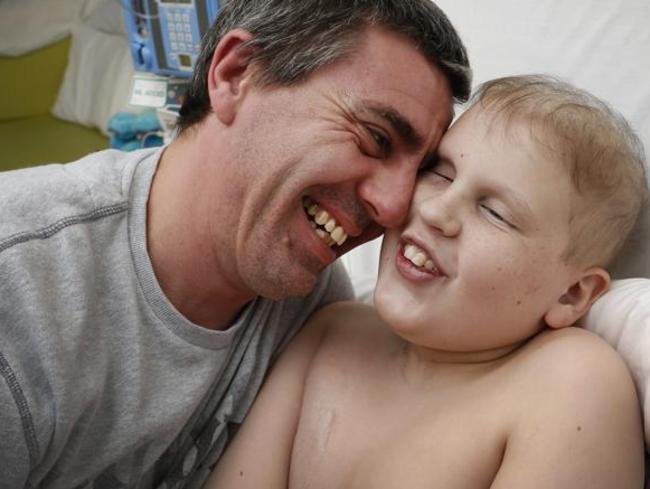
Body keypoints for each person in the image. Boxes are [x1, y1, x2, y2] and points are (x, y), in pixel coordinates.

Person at [0, 1, 471, 488]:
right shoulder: (20, 294)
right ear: (236, 75)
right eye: (374, 137)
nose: (396, 208)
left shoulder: (313, 307)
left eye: (418, 174)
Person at [206, 75, 648, 489]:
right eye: (439, 173)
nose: (436, 212)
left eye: (494, 212)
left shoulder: (568, 381)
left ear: (571, 294)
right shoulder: (330, 333)